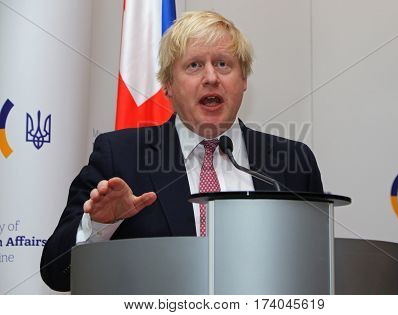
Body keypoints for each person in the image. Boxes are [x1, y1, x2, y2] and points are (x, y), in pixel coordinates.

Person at [40, 11, 323, 292]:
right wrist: (101, 224)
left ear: (244, 79)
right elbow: (57, 273)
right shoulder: (120, 156)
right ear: (168, 85)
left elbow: (318, 272)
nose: (211, 77)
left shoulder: (292, 162)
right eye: (194, 66)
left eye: (223, 64)